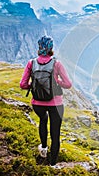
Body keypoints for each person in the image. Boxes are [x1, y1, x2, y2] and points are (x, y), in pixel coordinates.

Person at [20, 36, 72, 168]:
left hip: (37, 103)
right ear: (51, 48)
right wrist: (56, 82)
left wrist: (33, 86)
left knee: (43, 121)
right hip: (55, 104)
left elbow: (23, 84)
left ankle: (43, 149)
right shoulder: (56, 64)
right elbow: (68, 84)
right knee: (55, 133)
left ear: (39, 47)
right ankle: (53, 164)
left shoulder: (31, 63)